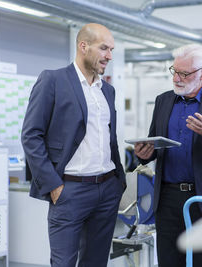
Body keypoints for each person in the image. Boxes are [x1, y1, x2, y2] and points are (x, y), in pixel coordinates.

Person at [21, 23, 126, 267]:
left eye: (111, 50)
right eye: (104, 49)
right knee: (64, 263)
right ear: (83, 46)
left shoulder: (107, 91)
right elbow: (31, 135)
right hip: (70, 191)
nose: (109, 56)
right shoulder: (53, 80)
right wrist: (54, 186)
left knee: (96, 262)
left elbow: (109, 140)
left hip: (107, 188)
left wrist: (118, 182)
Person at [134, 43, 202, 267]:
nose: (177, 78)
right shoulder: (163, 101)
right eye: (174, 71)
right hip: (168, 199)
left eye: (184, 73)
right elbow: (153, 143)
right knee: (169, 262)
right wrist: (143, 155)